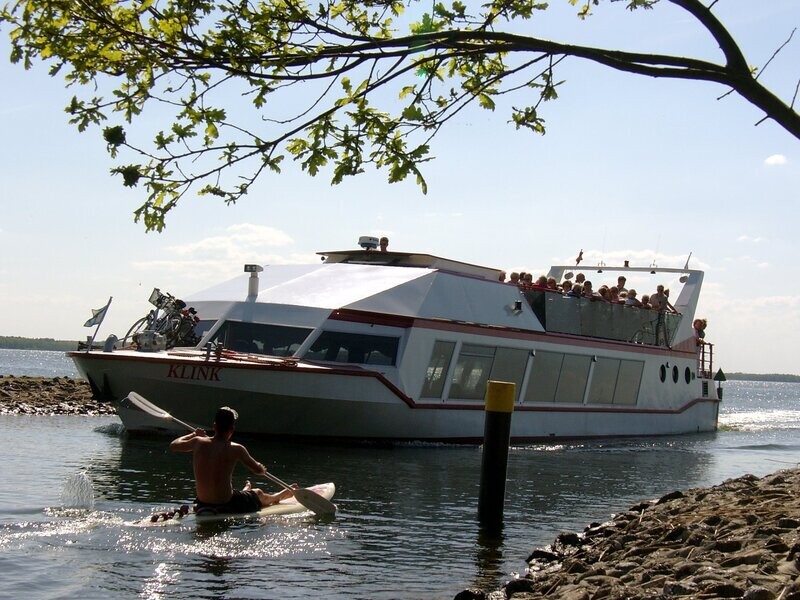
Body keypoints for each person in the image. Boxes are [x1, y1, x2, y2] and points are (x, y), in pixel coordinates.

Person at [170, 406, 295, 514]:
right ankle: (277, 497)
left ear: (214, 426)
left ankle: (246, 490)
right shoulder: (236, 449)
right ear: (232, 430)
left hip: (202, 502)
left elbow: (174, 445)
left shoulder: (197, 442)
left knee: (239, 492)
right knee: (258, 493)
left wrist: (193, 434)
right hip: (227, 503)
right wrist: (261, 467)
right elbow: (258, 471)